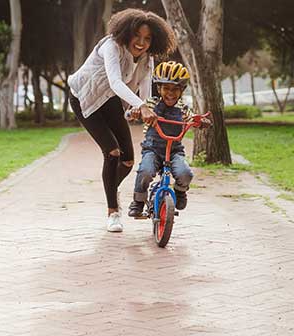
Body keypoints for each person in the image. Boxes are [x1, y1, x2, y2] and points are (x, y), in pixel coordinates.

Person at [68, 8, 176, 232]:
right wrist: (140, 106)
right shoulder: (111, 46)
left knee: (127, 160)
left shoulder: (147, 58)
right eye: (137, 36)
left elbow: (146, 89)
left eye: (147, 39)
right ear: (126, 32)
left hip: (109, 101)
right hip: (84, 98)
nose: (141, 42)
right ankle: (113, 212)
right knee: (112, 152)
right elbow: (116, 82)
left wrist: (143, 108)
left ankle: (110, 188)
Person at [128, 61, 211, 217]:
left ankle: (180, 192)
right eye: (166, 88)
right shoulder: (151, 104)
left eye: (175, 89)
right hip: (152, 149)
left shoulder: (183, 108)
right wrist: (134, 113)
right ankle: (138, 200)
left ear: (182, 90)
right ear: (159, 88)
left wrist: (200, 122)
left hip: (174, 151)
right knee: (145, 171)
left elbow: (192, 118)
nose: (170, 93)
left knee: (186, 173)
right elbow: (136, 111)